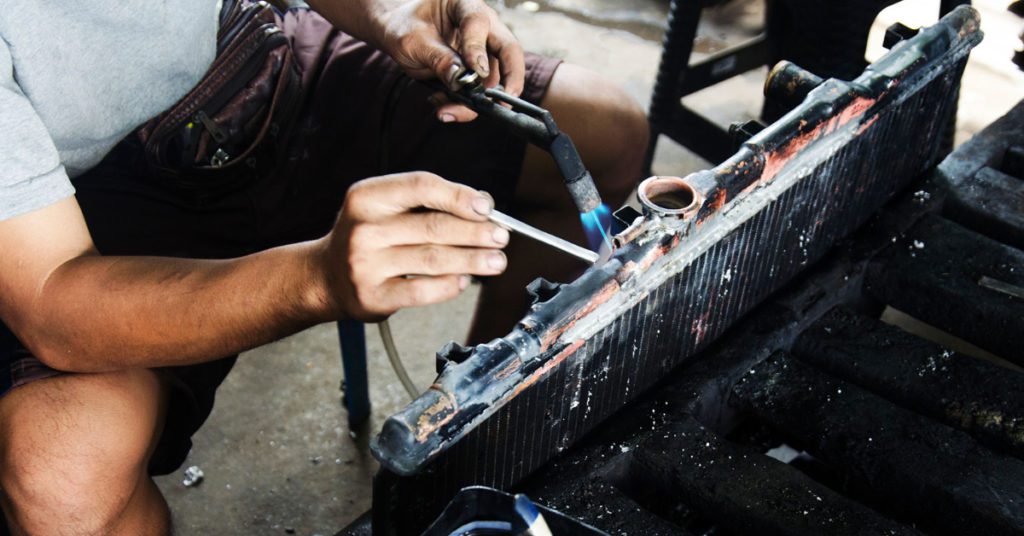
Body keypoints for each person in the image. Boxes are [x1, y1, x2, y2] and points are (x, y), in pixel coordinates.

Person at [0, 0, 647, 533]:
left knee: (603, 127)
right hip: (76, 206)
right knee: (61, 482)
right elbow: (52, 296)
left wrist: (397, 14)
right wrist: (316, 279)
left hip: (257, 59)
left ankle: (470, 430)